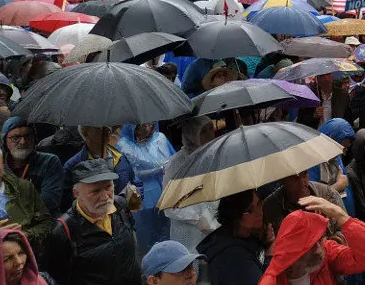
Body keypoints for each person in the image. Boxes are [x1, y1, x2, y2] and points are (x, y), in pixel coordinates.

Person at [43, 159, 141, 285]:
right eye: (95, 191)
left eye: (108, 187)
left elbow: (131, 259)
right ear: (76, 193)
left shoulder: (120, 206)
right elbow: (57, 278)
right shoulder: (62, 231)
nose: (105, 196)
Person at [257, 196, 365, 285]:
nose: (318, 250)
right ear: (292, 253)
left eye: (320, 239)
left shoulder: (327, 251)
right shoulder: (272, 280)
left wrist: (340, 215)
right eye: (310, 246)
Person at [162, 116, 218, 260]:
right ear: (192, 135)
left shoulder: (214, 156)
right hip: (188, 234)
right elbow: (169, 204)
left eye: (211, 128)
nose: (210, 135)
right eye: (203, 131)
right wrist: (197, 219)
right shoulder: (176, 165)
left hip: (216, 229)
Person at [115, 123, 175, 251]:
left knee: (167, 228)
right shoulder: (124, 145)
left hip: (164, 190)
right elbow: (130, 172)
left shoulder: (160, 139)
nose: (147, 129)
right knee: (144, 231)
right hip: (137, 193)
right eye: (142, 126)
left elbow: (173, 161)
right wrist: (158, 169)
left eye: (149, 125)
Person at [196, 189, 275, 285]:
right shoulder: (232, 256)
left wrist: (264, 243)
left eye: (259, 204)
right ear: (235, 216)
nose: (259, 212)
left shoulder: (238, 236)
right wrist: (270, 255)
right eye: (250, 210)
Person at [0, 146, 53, 254]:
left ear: (2, 162)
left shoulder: (24, 188)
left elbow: (47, 222)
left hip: (27, 259)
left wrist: (26, 235)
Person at [61, 125, 141, 211]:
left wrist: (135, 194)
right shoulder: (73, 165)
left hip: (122, 220)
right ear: (86, 134)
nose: (108, 129)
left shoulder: (120, 157)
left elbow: (135, 181)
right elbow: (68, 203)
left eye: (108, 125)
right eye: (99, 127)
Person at [1, 117, 63, 216]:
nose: (23, 142)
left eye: (28, 136)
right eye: (15, 137)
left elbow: (50, 200)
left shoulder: (49, 162)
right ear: (5, 141)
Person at [262, 169, 345, 238]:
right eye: (295, 178)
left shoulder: (327, 194)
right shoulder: (271, 207)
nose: (302, 183)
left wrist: (328, 244)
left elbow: (345, 228)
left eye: (304, 174)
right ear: (282, 181)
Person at [312, 119, 355, 215]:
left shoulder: (336, 157)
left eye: (346, 148)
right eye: (341, 147)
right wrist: (337, 187)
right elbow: (312, 198)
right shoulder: (312, 163)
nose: (342, 152)